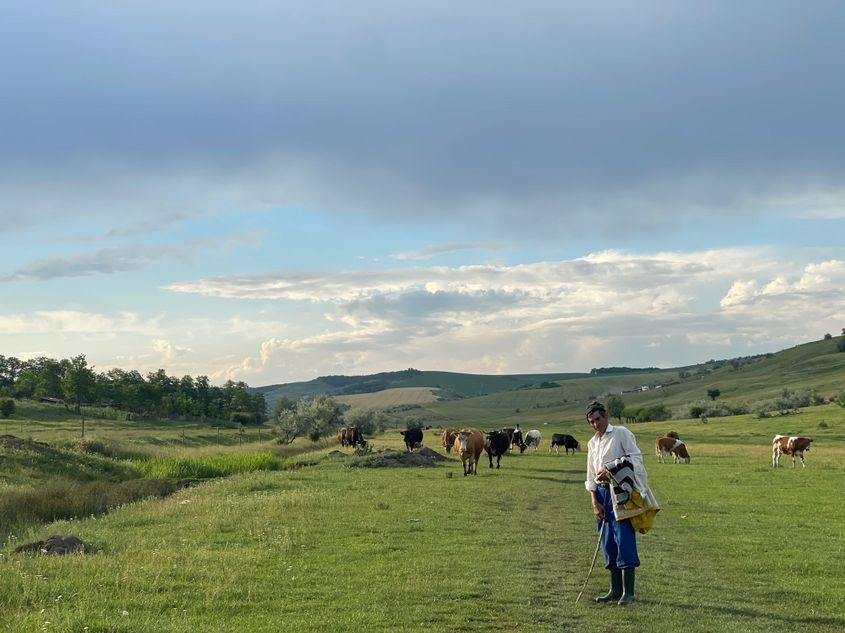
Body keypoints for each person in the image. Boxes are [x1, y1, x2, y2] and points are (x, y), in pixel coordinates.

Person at [584, 400, 654, 606]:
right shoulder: (592, 443)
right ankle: (614, 589)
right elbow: (590, 474)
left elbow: (636, 458)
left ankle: (628, 592)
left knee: (624, 539)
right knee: (608, 542)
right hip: (602, 495)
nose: (596, 424)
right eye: (591, 421)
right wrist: (594, 501)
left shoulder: (621, 433)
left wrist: (612, 471)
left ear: (606, 416)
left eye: (598, 419)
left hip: (620, 494)